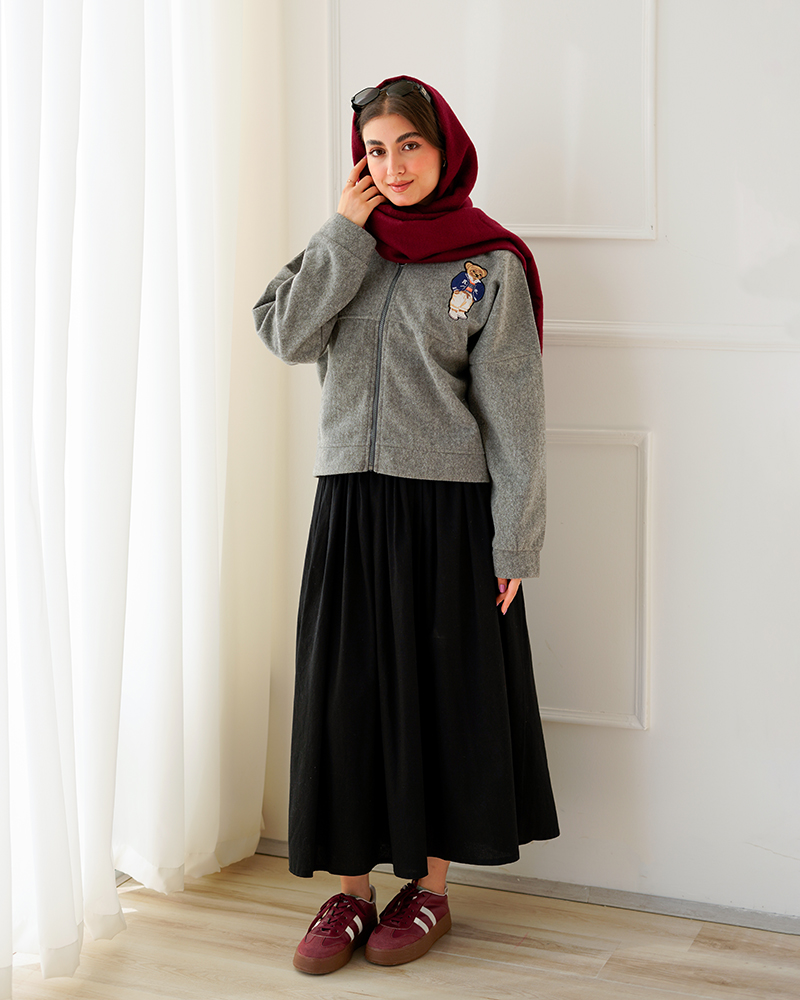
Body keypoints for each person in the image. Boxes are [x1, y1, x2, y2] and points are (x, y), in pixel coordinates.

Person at [253, 75, 559, 976]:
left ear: (445, 148)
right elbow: (285, 335)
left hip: (447, 514)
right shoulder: (345, 246)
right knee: (346, 694)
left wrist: (515, 540)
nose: (392, 167)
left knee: (442, 695)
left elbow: (515, 414)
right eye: (375, 150)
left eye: (409, 146)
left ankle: (428, 889)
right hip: (350, 505)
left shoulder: (491, 264)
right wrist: (342, 235)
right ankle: (350, 892)